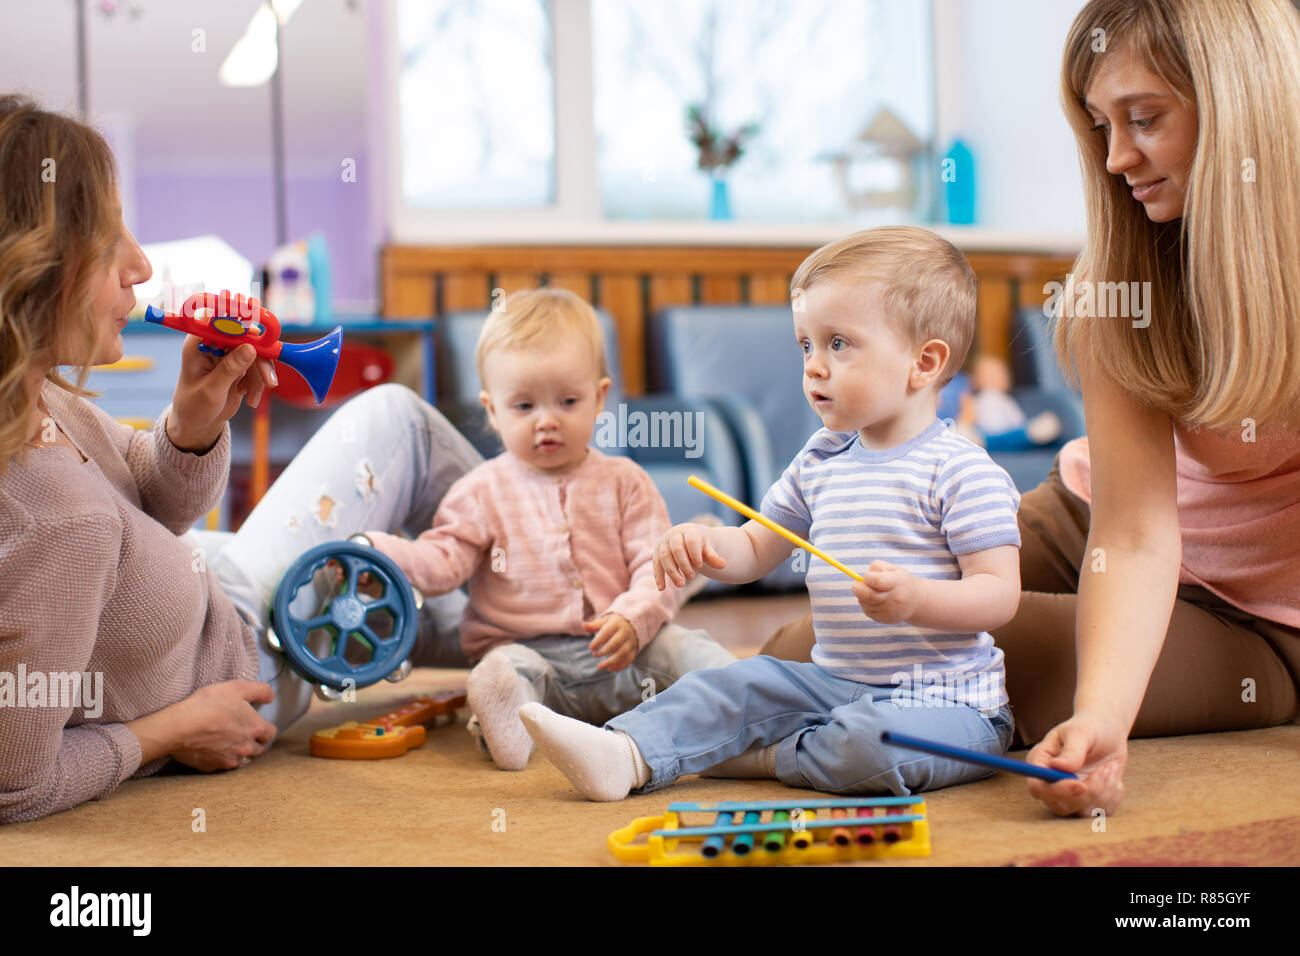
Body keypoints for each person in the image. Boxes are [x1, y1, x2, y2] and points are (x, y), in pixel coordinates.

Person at [757, 0, 1300, 818]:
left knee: (879, 675)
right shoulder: (1121, 279)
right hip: (1093, 519)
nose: (1117, 157)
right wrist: (1107, 707)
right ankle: (632, 684)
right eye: (1098, 126)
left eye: (1144, 118)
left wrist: (1099, 719)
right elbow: (1136, 532)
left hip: (1254, 615)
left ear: (1244, 103)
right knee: (811, 647)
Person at [0, 94, 483, 823]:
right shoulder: (57, 525)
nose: (140, 263)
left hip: (210, 584)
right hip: (248, 644)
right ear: (36, 270)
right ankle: (575, 567)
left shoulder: (34, 398)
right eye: (108, 241)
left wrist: (189, 426)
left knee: (463, 607)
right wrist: (168, 733)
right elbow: (16, 782)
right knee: (399, 424)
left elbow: (155, 507)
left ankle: (575, 604)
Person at [520, 227, 1023, 801]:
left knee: (869, 745)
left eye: (839, 344)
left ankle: (762, 756)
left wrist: (919, 600)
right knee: (733, 684)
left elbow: (998, 594)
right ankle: (626, 753)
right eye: (805, 345)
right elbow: (758, 549)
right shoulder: (821, 459)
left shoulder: (963, 471)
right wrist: (703, 547)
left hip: (947, 706)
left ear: (923, 362)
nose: (813, 366)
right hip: (833, 682)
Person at [360, 289, 735, 771]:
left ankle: (745, 695)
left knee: (686, 648)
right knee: (503, 671)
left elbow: (653, 567)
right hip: (532, 660)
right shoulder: (480, 490)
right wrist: (384, 554)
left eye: (567, 401)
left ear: (600, 397)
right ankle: (512, 725)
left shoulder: (626, 481)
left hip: (624, 653)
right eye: (523, 406)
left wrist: (633, 618)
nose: (547, 422)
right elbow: (442, 559)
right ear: (492, 410)